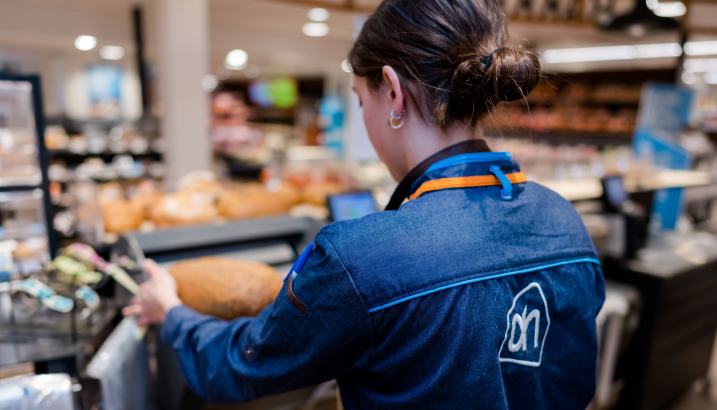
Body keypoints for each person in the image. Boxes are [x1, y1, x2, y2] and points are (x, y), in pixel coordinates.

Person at [123, 0, 605, 408]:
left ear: (392, 93)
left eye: (361, 100)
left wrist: (172, 313)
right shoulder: (563, 220)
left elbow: (241, 366)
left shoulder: (362, 258)